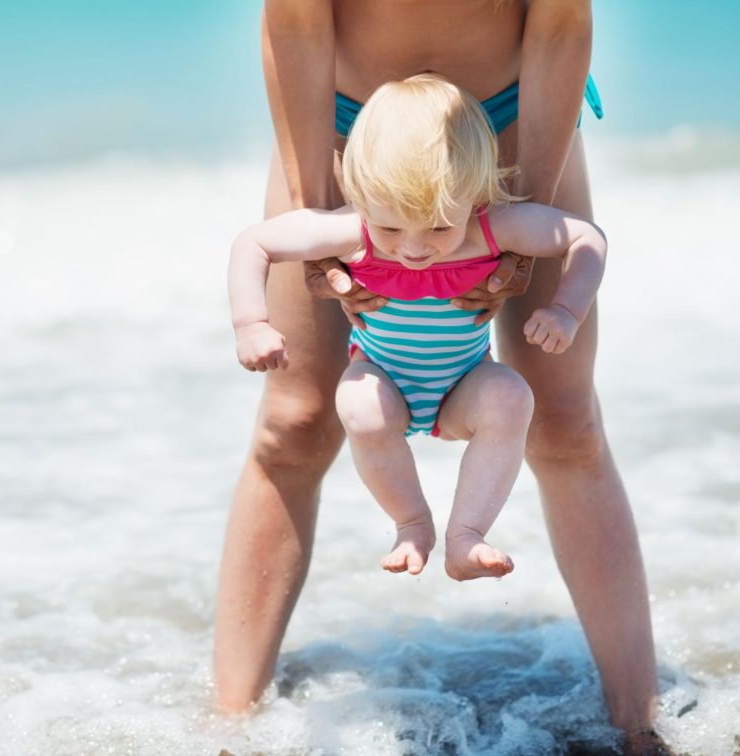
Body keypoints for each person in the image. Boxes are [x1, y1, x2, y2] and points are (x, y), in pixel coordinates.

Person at [214, 2, 666, 752]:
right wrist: (316, 222)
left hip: (516, 115)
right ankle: (228, 725)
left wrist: (522, 226)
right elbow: (294, 24)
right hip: (346, 123)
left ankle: (637, 724)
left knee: (564, 422)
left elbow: (558, 25)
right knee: (295, 421)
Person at [229, 74, 607, 583]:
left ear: (474, 198)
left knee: (512, 396)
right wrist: (251, 322)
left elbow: (586, 237)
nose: (411, 247)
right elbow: (254, 243)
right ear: (361, 196)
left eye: (436, 227)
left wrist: (568, 309)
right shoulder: (353, 227)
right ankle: (411, 523)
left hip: (464, 385)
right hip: (382, 381)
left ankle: (466, 535)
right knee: (357, 405)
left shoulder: (492, 227)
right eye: (389, 227)